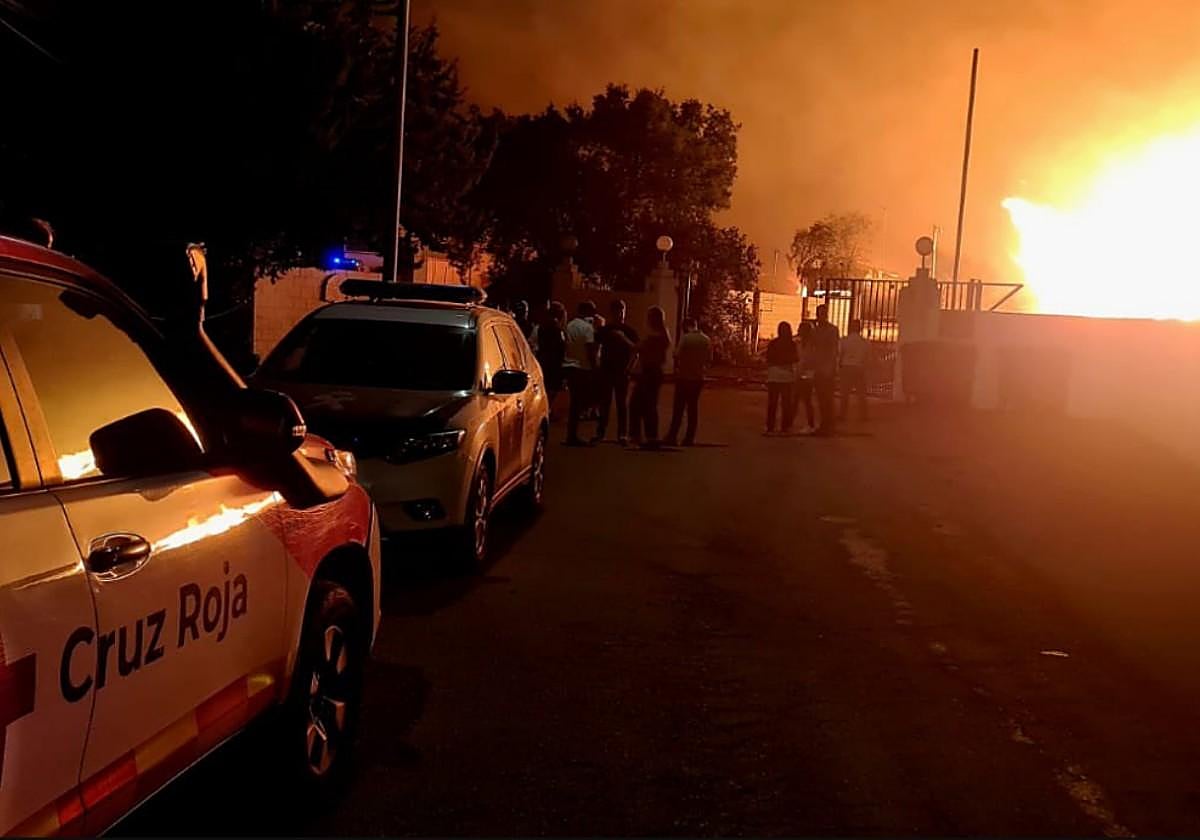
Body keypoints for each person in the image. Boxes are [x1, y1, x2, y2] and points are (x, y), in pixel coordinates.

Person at [593, 299, 638, 444]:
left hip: (621, 371)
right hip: (607, 369)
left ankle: (622, 434)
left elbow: (635, 351)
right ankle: (601, 432)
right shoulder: (605, 330)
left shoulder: (629, 331)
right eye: (617, 311)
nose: (620, 314)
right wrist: (598, 363)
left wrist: (629, 368)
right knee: (605, 402)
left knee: (621, 403)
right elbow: (596, 347)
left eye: (622, 310)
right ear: (612, 312)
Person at [629, 306, 671, 449]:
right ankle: (648, 436)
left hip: (650, 372)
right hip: (653, 372)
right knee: (647, 404)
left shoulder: (655, 337)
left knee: (639, 404)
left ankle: (641, 436)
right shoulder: (662, 335)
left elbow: (639, 349)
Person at [665, 318, 712, 446]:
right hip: (698, 378)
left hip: (684, 377)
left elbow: (676, 354)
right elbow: (709, 359)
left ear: (686, 327)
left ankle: (672, 436)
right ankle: (689, 438)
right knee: (693, 408)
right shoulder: (706, 339)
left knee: (678, 408)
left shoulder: (686, 338)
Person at [563, 300, 598, 445]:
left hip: (569, 365)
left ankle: (571, 434)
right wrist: (595, 367)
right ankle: (573, 435)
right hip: (582, 368)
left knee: (574, 402)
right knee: (579, 402)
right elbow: (590, 348)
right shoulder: (588, 328)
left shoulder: (569, 326)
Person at [533, 302, 567, 420]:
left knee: (546, 387)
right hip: (554, 363)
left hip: (543, 359)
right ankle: (546, 410)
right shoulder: (556, 328)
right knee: (552, 389)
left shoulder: (542, 327)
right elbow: (561, 347)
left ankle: (544, 410)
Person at [764, 321, 799, 435]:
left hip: (774, 375)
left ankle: (770, 427)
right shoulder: (792, 344)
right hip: (787, 376)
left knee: (772, 403)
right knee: (786, 404)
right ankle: (785, 427)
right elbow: (795, 359)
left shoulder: (773, 343)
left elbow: (768, 358)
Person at [812, 304, 840, 436]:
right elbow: (813, 349)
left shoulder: (831, 330)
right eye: (819, 314)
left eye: (822, 314)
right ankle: (825, 424)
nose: (820, 316)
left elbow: (833, 350)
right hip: (819, 368)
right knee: (822, 399)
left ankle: (828, 425)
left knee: (827, 399)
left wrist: (831, 368)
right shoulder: (816, 331)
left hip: (827, 369)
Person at [839, 318, 871, 421]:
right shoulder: (865, 342)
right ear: (860, 328)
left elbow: (840, 354)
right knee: (861, 393)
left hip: (846, 367)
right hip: (858, 368)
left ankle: (842, 414)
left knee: (845, 393)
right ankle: (863, 415)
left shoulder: (844, 340)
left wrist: (839, 366)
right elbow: (867, 357)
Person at [793, 321, 817, 431]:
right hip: (801, 373)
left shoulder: (812, 345)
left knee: (804, 400)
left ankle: (811, 424)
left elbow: (810, 359)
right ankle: (790, 422)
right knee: (797, 399)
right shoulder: (799, 343)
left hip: (807, 374)